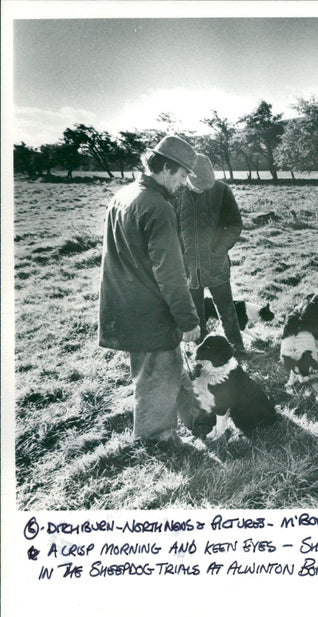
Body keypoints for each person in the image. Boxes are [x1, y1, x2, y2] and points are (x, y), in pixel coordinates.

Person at [98, 135, 202, 442]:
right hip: (150, 310)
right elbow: (171, 274)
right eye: (183, 176)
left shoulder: (124, 194)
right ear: (168, 168)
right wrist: (188, 320)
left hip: (125, 304)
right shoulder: (158, 208)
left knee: (170, 367)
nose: (183, 184)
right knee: (157, 376)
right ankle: (157, 439)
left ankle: (199, 419)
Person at [176, 154, 246, 359]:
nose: (201, 190)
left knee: (227, 309)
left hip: (216, 264)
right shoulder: (176, 192)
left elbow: (234, 224)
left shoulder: (222, 190)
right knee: (196, 313)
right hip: (187, 267)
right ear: (187, 176)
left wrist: (219, 249)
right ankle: (202, 354)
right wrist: (179, 254)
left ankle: (237, 348)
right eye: (197, 186)